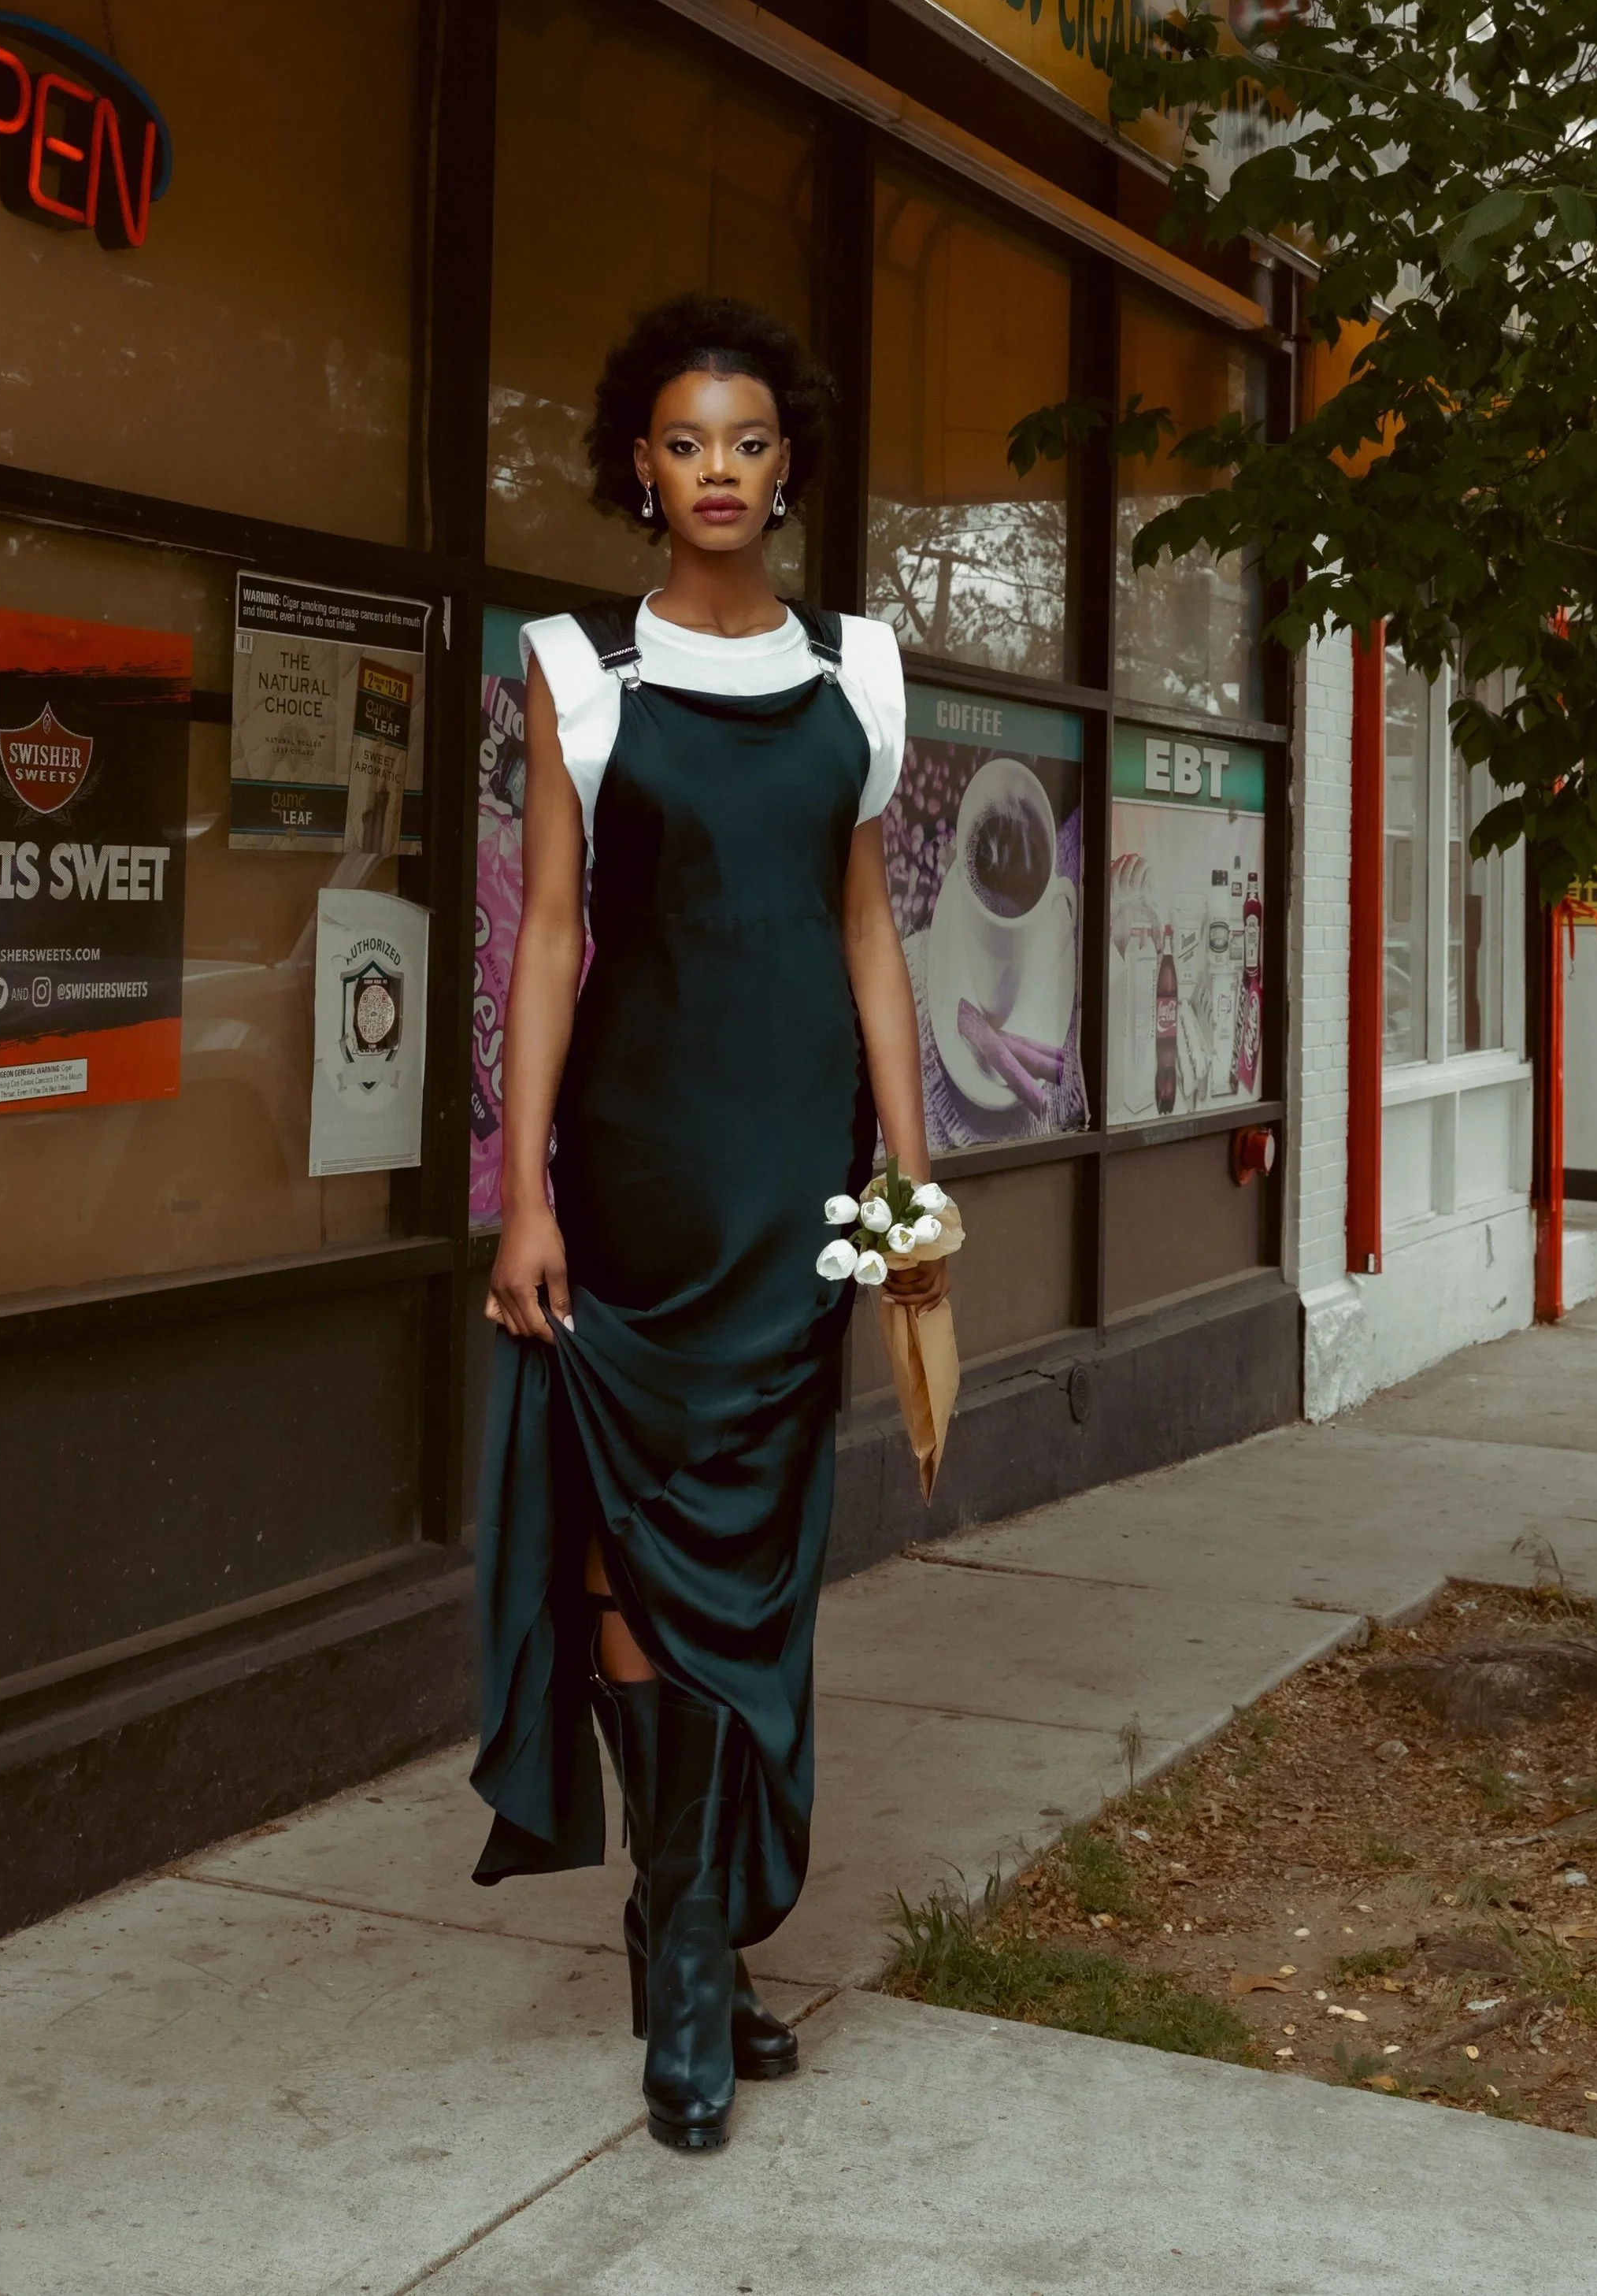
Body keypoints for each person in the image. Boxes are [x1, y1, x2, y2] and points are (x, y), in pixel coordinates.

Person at [470, 291, 950, 2150]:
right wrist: (521, 1194)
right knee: (632, 1550)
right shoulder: (574, 667)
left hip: (794, 1183)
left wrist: (909, 1174)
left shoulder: (861, 669)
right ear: (639, 466)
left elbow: (867, 931)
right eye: (685, 442)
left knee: (753, 1555)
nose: (718, 470)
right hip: (635, 1175)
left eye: (746, 441)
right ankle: (686, 1954)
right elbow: (547, 942)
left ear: (785, 462)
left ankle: (685, 1927)